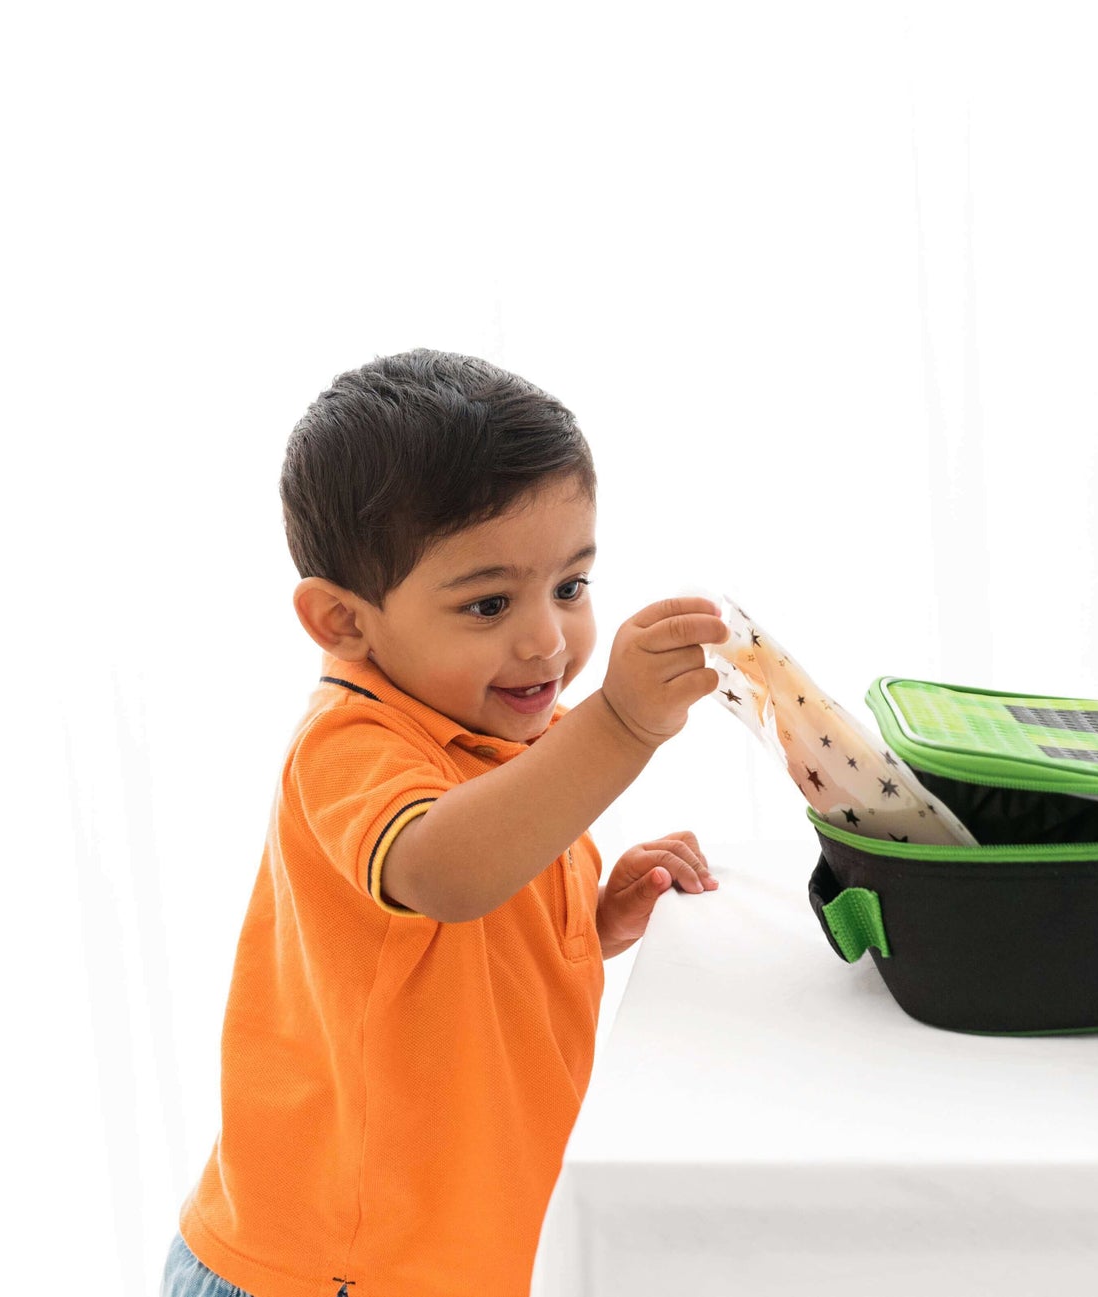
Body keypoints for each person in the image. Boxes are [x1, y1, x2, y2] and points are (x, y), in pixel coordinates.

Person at [162, 349, 729, 1297]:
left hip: (453, 1260)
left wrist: (590, 921)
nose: (546, 638)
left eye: (572, 586)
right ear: (343, 622)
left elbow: (450, 951)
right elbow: (443, 873)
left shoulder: (501, 730)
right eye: (490, 602)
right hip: (334, 1273)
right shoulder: (350, 746)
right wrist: (623, 723)